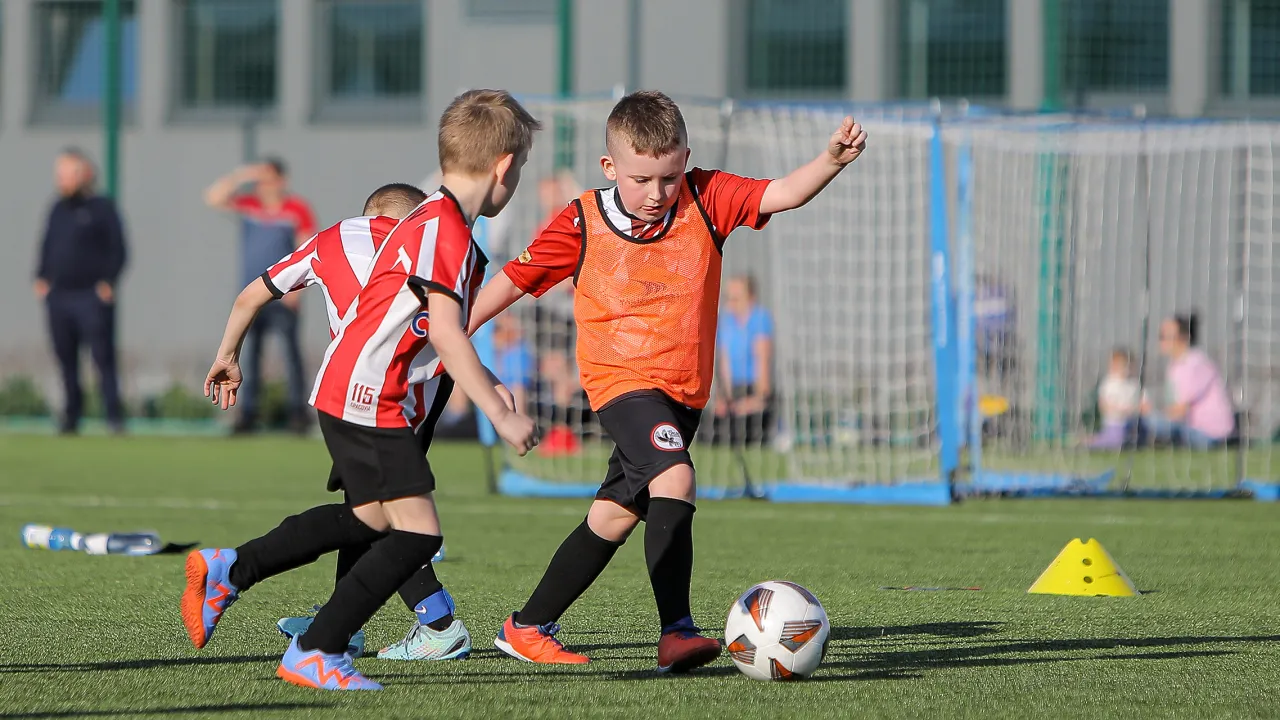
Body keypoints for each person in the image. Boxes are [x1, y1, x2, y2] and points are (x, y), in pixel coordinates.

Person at [467, 90, 867, 671]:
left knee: (613, 515)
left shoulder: (706, 195)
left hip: (684, 391)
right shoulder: (582, 219)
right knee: (675, 476)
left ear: (685, 159)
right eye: (641, 179)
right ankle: (675, 632)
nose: (657, 193)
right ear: (610, 168)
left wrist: (828, 160)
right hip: (619, 382)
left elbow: (781, 192)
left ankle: (527, 626)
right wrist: (452, 334)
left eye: (669, 177)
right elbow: (514, 279)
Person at [185, 89, 542, 691]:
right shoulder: (446, 232)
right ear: (504, 166)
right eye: (520, 172)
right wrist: (499, 414)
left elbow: (431, 331)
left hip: (351, 387)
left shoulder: (431, 223)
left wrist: (492, 383)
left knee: (371, 519)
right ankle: (319, 648)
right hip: (371, 396)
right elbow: (449, 337)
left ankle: (234, 569)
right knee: (418, 533)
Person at [204, 157, 317, 434]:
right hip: (252, 294)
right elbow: (212, 197)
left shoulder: (296, 209)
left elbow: (307, 246)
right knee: (248, 354)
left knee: (290, 354)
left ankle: (297, 414)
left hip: (282, 294)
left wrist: (298, 291)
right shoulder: (250, 205)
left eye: (268, 178)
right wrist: (242, 174)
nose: (262, 185)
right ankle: (248, 414)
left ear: (281, 181)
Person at [33, 148, 128, 435]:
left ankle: (113, 418)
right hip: (59, 296)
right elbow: (47, 246)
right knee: (66, 359)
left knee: (102, 358)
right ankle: (71, 417)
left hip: (91, 296)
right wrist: (41, 278)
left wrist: (107, 282)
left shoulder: (102, 208)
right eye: (59, 174)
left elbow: (119, 250)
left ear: (84, 174)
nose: (61, 180)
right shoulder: (57, 208)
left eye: (68, 173)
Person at [1140, 313, 1235, 448]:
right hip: (1192, 429)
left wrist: (1150, 412)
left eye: (1164, 336)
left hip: (1209, 433)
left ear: (1183, 338)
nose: (1161, 341)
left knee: (1150, 422)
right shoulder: (1174, 366)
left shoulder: (1195, 363)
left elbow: (1180, 410)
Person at [714, 275, 775, 445]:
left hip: (752, 393)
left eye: (736, 299)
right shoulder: (726, 323)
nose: (731, 304)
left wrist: (747, 404)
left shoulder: (760, 320)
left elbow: (762, 370)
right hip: (733, 392)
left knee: (748, 429)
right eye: (729, 299)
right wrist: (724, 400)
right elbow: (724, 365)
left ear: (751, 298)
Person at [1087, 347, 1141, 450]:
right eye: (1124, 366)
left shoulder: (1134, 384)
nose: (1127, 369)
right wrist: (1119, 410)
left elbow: (1141, 403)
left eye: (1129, 366)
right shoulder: (1109, 384)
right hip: (1114, 423)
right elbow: (1103, 405)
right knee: (1115, 441)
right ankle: (1091, 441)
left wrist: (1135, 409)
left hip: (1132, 424)